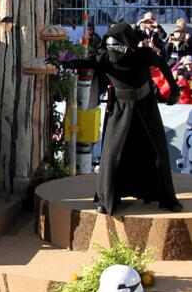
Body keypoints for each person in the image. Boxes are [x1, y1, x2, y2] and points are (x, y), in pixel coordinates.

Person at [71, 21, 182, 214]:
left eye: (117, 45)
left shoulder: (143, 56)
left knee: (156, 149)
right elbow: (84, 62)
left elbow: (163, 65)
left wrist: (174, 90)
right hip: (120, 108)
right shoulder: (105, 58)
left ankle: (163, 195)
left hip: (145, 105)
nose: (113, 50)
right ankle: (107, 198)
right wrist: (62, 63)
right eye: (110, 45)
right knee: (112, 152)